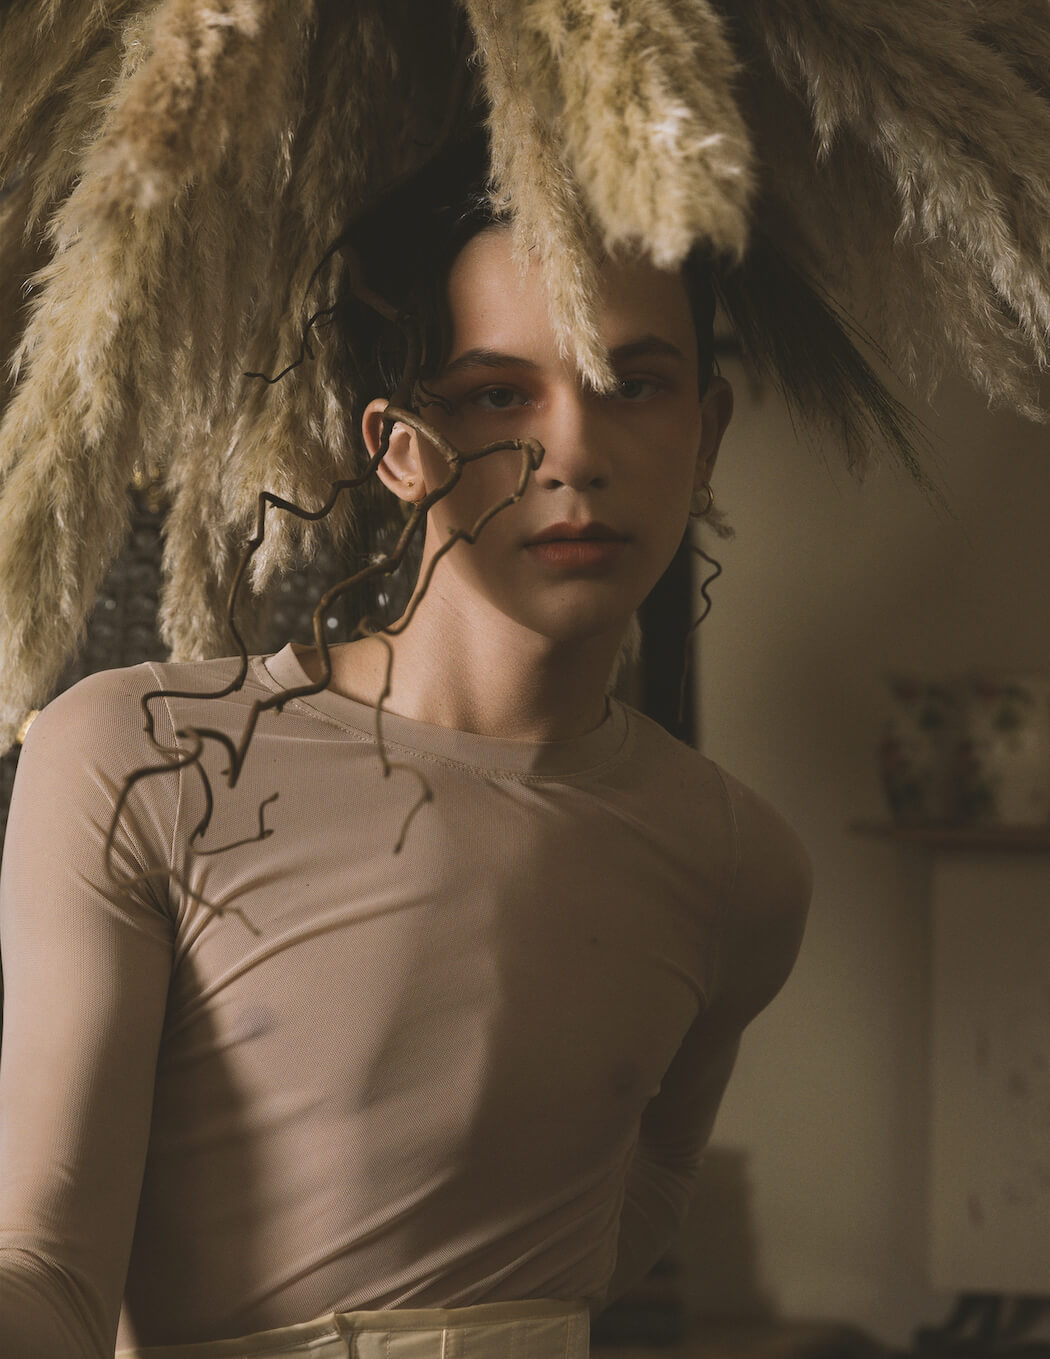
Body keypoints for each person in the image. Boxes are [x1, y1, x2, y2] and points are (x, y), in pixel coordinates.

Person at [0, 170, 812, 1358]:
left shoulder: (740, 863)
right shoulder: (147, 758)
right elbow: (49, 1278)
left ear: (708, 434)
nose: (576, 452)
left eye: (634, 385)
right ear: (398, 449)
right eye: (498, 395)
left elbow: (636, 1200)